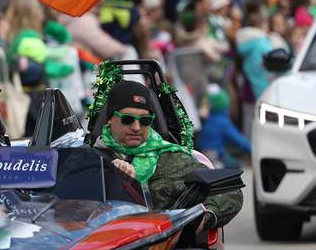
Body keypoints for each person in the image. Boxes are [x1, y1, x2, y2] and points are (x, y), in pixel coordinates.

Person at [93, 80, 242, 230]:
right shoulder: (88, 158)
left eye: (145, 120)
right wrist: (112, 177)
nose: (136, 127)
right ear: (110, 119)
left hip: (158, 246)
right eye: (127, 119)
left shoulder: (172, 159)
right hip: (94, 245)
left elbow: (229, 190)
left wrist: (205, 216)